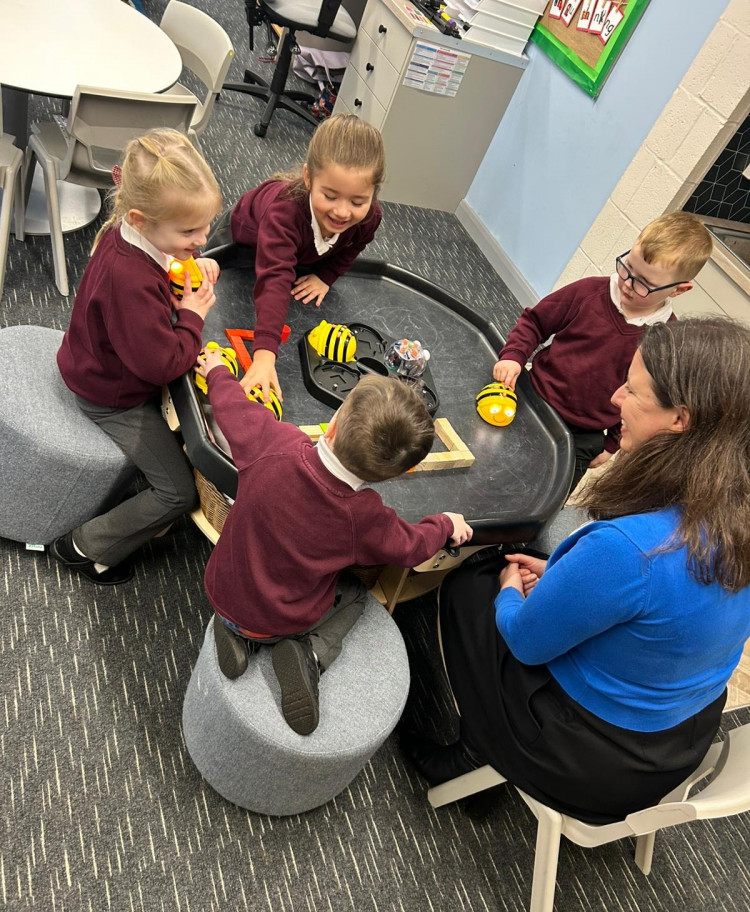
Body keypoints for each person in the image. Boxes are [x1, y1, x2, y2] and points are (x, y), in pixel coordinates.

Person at [401, 316, 750, 824]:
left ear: (681, 419)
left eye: (633, 391)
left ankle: (472, 759)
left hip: (584, 760)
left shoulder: (629, 550)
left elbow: (524, 640)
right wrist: (573, 580)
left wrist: (508, 589)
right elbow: (661, 610)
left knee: (472, 582)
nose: (615, 399)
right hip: (678, 740)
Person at [196, 352, 473, 737]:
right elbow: (413, 547)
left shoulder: (274, 442)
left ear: (332, 426)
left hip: (222, 590)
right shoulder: (366, 517)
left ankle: (236, 635)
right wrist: (445, 523)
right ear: (393, 474)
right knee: (357, 594)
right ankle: (310, 652)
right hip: (284, 621)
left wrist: (216, 371)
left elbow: (231, 407)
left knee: (252, 583)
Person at [52, 129, 222, 585]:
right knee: (178, 492)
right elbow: (163, 365)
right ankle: (82, 545)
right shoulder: (129, 280)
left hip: (97, 362)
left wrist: (189, 259)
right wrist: (191, 316)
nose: (202, 238)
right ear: (141, 218)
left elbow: (161, 262)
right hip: (110, 395)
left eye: (205, 226)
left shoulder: (127, 232)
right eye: (190, 231)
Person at [493, 212, 713, 492]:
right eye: (627, 268)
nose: (628, 284)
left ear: (679, 290)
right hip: (534, 396)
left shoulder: (666, 340)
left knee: (543, 497)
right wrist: (513, 355)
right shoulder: (589, 292)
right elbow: (535, 322)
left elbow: (647, 402)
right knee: (495, 464)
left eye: (643, 283)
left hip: (583, 435)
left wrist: (612, 444)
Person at [205, 114, 384, 401]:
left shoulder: (370, 217)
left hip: (300, 253)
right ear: (308, 177)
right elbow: (275, 279)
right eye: (330, 195)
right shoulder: (283, 212)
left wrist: (326, 277)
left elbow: (354, 246)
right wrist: (264, 356)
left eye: (357, 201)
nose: (342, 212)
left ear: (373, 194)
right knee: (207, 294)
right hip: (238, 244)